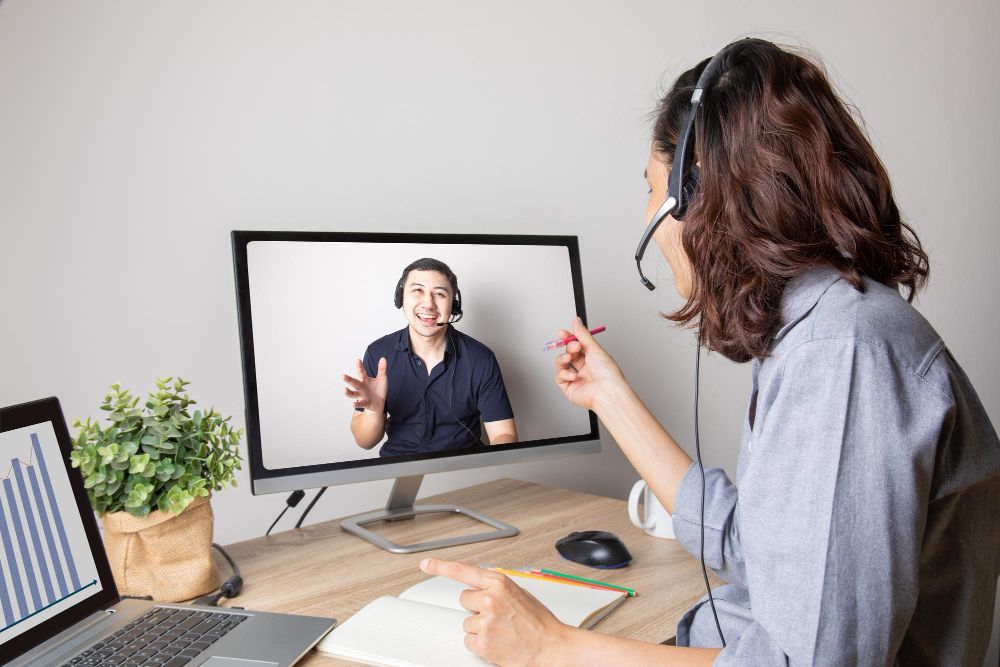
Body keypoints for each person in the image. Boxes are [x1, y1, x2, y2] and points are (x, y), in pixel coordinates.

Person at [419, 38, 1000, 665]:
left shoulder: (843, 355)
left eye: (651, 189)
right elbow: (750, 545)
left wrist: (553, 647)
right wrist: (608, 396)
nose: (646, 214)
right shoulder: (821, 332)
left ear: (694, 198)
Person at [343, 257, 517, 457]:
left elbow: (504, 433)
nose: (428, 303)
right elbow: (365, 442)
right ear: (401, 298)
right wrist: (374, 410)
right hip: (399, 469)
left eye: (439, 294)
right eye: (417, 290)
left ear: (453, 305)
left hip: (463, 469)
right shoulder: (378, 353)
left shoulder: (481, 358)